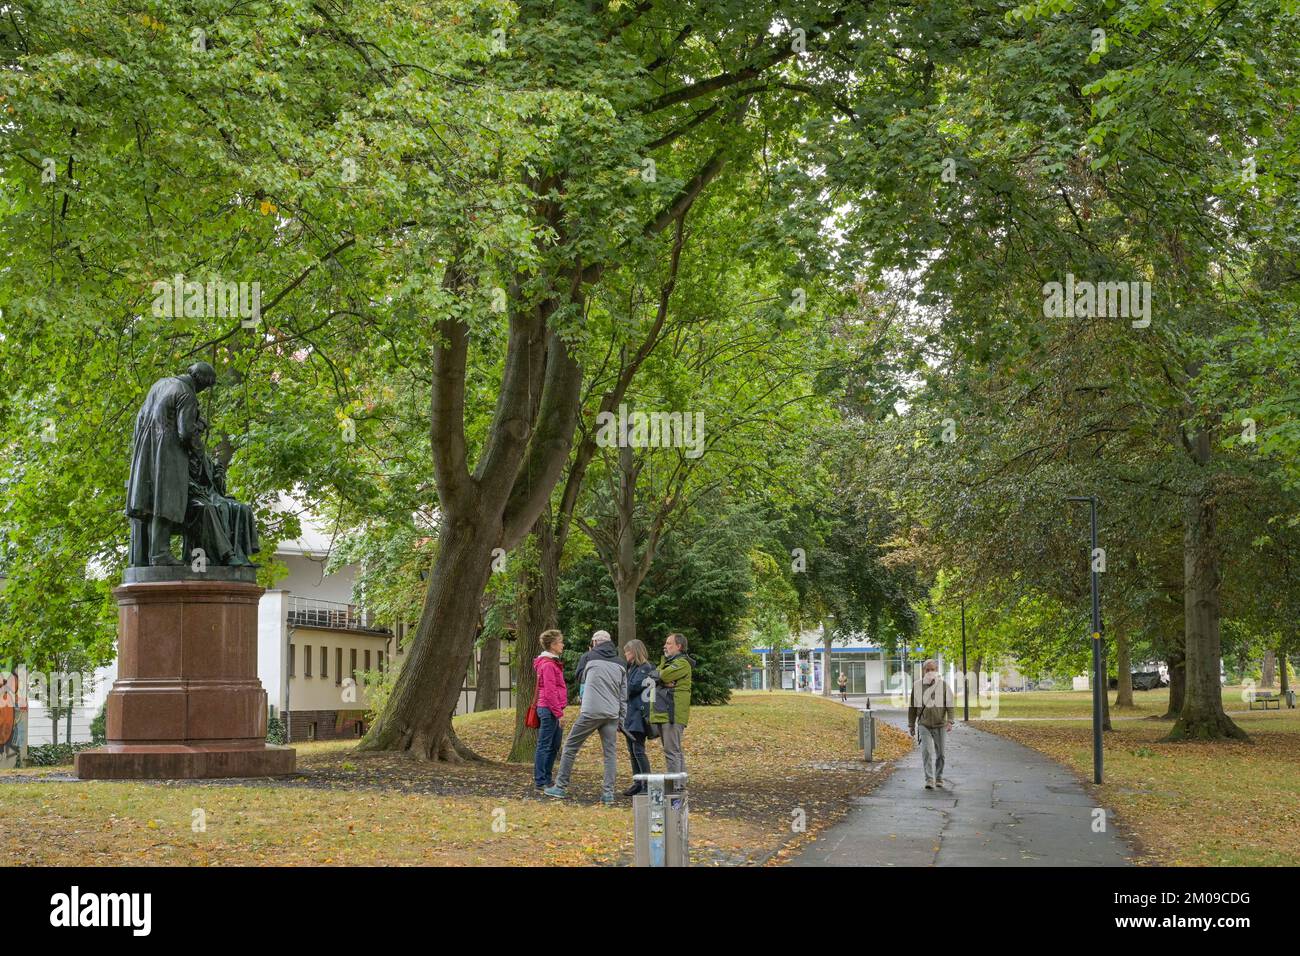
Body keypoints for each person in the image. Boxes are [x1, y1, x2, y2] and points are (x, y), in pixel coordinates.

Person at [126, 362, 217, 566]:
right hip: (167, 452)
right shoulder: (187, 393)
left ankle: (156, 553)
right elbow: (185, 432)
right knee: (166, 498)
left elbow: (143, 417)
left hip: (146, 450)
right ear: (202, 383)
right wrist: (199, 451)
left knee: (152, 499)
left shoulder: (160, 384)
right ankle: (159, 553)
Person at [545, 631, 626, 805]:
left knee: (570, 747)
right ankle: (608, 794)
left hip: (591, 711)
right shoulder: (620, 663)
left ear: (595, 642)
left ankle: (560, 786)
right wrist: (622, 719)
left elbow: (579, 677)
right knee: (610, 755)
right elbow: (623, 694)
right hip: (612, 714)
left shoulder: (588, 656)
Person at [650, 632, 693, 789]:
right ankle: (679, 785)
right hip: (664, 712)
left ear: (679, 646)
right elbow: (653, 675)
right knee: (674, 751)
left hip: (672, 713)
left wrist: (660, 679)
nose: (665, 646)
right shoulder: (667, 663)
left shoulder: (682, 664)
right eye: (666, 643)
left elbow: (663, 675)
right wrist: (661, 680)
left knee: (672, 752)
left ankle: (676, 787)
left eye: (669, 643)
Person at [907, 659, 955, 789]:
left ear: (936, 671)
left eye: (932, 669)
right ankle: (929, 779)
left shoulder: (944, 685)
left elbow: (950, 704)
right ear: (923, 671)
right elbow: (912, 707)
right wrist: (911, 724)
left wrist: (950, 721)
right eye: (927, 670)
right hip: (924, 724)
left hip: (940, 724)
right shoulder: (917, 686)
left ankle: (939, 777)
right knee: (927, 752)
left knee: (941, 754)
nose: (929, 672)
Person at [532, 629, 567, 791]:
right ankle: (540, 779)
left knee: (554, 745)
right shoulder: (547, 665)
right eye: (560, 642)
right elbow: (550, 691)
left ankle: (547, 777)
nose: (563, 645)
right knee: (545, 745)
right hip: (548, 709)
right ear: (553, 645)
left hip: (553, 708)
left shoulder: (552, 663)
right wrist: (559, 713)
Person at [621, 639, 656, 796]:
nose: (625, 655)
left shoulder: (645, 668)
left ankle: (646, 784)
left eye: (627, 651)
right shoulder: (633, 668)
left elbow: (632, 687)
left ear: (634, 652)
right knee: (632, 750)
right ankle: (638, 782)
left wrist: (621, 687)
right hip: (631, 715)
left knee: (638, 750)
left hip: (639, 716)